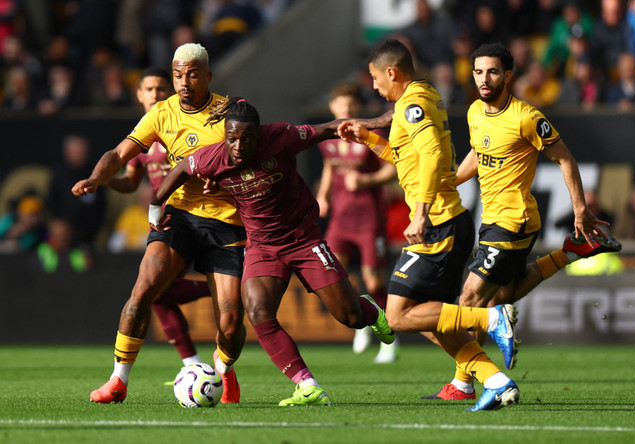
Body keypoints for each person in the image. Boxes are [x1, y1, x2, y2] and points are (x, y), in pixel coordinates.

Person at [150, 97, 514, 409]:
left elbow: (328, 128)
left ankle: (372, 312)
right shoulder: (215, 157)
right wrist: (156, 206)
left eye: (246, 139)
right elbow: (182, 168)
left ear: (259, 134)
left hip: (304, 238)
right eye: (232, 139)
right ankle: (307, 385)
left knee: (349, 316)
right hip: (262, 244)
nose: (239, 147)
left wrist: (376, 122)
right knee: (259, 311)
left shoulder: (281, 137)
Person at [428, 42, 621, 401]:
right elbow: (478, 151)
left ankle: (464, 382)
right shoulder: (474, 112)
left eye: (493, 72)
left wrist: (580, 209)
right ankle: (568, 254)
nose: (485, 79)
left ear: (509, 76)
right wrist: (450, 180)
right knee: (502, 294)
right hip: (495, 221)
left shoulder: (527, 117)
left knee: (469, 298)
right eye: (479, 72)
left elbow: (566, 159)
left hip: (513, 222)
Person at [338, 39, 519, 411]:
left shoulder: (413, 104)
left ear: (392, 72)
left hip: (438, 223)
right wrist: (369, 138)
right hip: (448, 221)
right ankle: (494, 381)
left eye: (375, 78)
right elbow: (405, 159)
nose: (374, 87)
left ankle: (491, 317)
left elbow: (435, 155)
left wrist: (420, 213)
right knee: (429, 319)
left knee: (397, 315)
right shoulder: (423, 95)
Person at [72, 43, 246, 405]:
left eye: (193, 74)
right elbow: (120, 153)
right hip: (178, 214)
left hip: (226, 222)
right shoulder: (161, 113)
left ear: (208, 76)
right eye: (179, 75)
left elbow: (252, 159)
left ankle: (225, 370)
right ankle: (118, 380)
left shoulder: (230, 110)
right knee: (143, 289)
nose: (185, 82)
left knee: (230, 324)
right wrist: (96, 177)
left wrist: (227, 176)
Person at [105, 65, 214, 373]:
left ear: (172, 93)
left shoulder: (180, 128)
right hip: (166, 224)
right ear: (139, 95)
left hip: (197, 216)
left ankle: (193, 358)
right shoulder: (140, 140)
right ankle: (192, 363)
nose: (155, 94)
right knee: (158, 295)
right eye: (149, 89)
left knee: (157, 293)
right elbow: (130, 182)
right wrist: (106, 181)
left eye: (161, 89)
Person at [315, 82, 398, 363]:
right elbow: (330, 166)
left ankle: (388, 341)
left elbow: (393, 167)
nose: (346, 109)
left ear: (357, 108)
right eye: (341, 104)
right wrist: (322, 196)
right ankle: (362, 321)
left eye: (351, 104)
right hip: (340, 219)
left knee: (374, 280)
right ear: (332, 106)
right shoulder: (328, 138)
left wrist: (366, 180)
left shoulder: (370, 134)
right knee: (335, 276)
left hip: (369, 219)